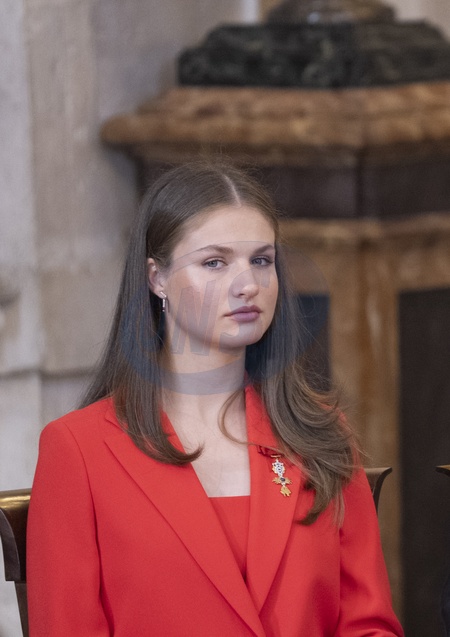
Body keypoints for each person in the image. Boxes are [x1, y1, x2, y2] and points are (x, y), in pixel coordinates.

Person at [27, 161, 404, 636]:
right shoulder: (78, 451)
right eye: (215, 262)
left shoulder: (321, 434)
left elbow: (369, 626)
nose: (248, 285)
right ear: (156, 278)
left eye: (261, 260)